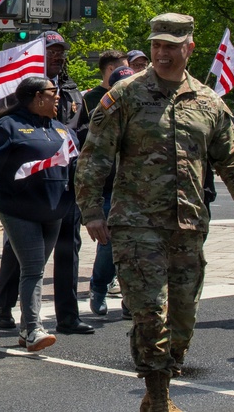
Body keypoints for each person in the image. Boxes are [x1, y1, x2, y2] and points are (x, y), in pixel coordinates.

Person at [75, 13, 234, 411]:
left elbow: (229, 158)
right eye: (156, 45)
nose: (161, 53)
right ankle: (159, 396)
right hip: (135, 226)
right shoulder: (124, 95)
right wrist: (91, 209)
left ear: (189, 49)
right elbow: (95, 155)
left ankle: (163, 379)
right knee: (149, 314)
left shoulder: (208, 101)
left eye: (171, 46)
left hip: (189, 225)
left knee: (182, 317)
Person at [0, 76, 72, 351]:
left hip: (54, 210)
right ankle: (33, 329)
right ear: (36, 97)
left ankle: (5, 306)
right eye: (52, 92)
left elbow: (75, 164)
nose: (57, 97)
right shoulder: (8, 127)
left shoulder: (61, 129)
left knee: (34, 267)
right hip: (18, 209)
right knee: (33, 269)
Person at [0, 31, 91, 335]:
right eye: (52, 51)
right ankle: (4, 302)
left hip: (64, 184)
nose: (58, 57)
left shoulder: (71, 91)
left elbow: (82, 133)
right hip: (27, 189)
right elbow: (3, 126)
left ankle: (68, 316)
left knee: (68, 247)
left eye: (61, 52)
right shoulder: (19, 90)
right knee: (21, 254)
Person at [86, 64, 135, 316]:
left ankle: (131, 297)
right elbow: (91, 157)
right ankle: (99, 287)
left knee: (138, 247)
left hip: (139, 191)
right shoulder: (102, 111)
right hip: (109, 189)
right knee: (109, 243)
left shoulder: (145, 110)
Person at [82, 50, 129, 114]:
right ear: (111, 69)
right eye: (125, 68)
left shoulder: (128, 93)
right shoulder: (90, 98)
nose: (128, 71)